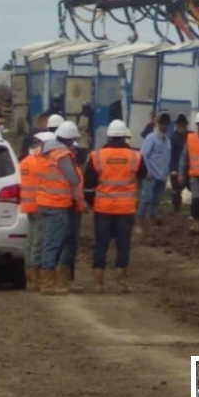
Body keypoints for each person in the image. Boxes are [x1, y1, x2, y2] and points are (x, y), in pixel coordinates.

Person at [84, 119, 146, 293]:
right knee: (123, 245)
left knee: (101, 245)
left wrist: (91, 203)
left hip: (103, 208)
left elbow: (88, 185)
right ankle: (121, 282)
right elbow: (143, 173)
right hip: (125, 209)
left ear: (109, 136)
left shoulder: (97, 156)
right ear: (125, 136)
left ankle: (98, 283)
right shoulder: (135, 156)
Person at [36, 123, 85, 295]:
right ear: (71, 139)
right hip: (58, 203)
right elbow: (73, 179)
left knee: (48, 241)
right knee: (54, 243)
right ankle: (49, 283)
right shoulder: (62, 154)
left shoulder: (44, 151)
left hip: (44, 201)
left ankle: (47, 280)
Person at [19, 132, 49, 290]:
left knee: (30, 242)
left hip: (28, 206)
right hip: (40, 205)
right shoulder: (41, 162)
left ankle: (29, 276)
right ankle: (35, 279)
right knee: (38, 242)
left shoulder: (25, 161)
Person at [137, 112, 171, 232]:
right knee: (146, 198)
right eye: (162, 123)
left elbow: (167, 158)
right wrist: (146, 171)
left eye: (166, 123)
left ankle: (152, 222)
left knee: (156, 200)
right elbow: (143, 155)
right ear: (157, 123)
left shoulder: (167, 140)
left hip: (162, 175)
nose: (164, 125)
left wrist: (166, 173)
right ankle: (139, 223)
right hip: (151, 174)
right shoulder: (151, 138)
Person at [167, 114, 188, 213]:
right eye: (180, 126)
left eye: (184, 126)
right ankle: (176, 210)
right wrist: (172, 169)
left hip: (188, 169)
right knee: (176, 190)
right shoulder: (173, 138)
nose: (182, 128)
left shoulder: (189, 137)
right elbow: (171, 155)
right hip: (175, 168)